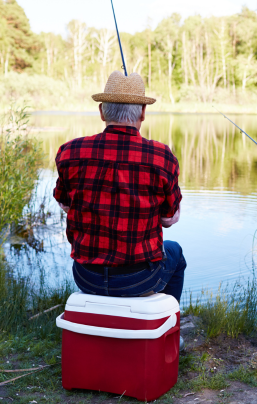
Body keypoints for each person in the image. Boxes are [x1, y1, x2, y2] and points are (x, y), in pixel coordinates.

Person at [53, 70, 186, 320]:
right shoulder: (161, 156)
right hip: (140, 279)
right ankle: (168, 325)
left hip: (86, 275)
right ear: (143, 113)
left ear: (102, 111)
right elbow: (169, 219)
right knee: (175, 253)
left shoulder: (70, 151)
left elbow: (63, 202)